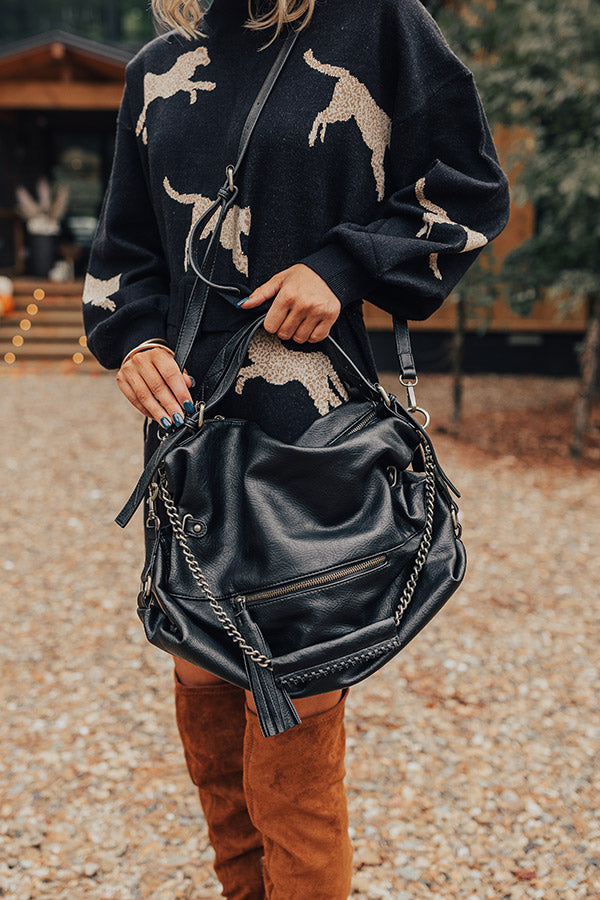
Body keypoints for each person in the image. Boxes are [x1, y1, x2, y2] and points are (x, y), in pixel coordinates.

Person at [82, 0, 510, 896]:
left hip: (318, 442)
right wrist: (134, 342)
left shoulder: (379, 26)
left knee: (298, 708)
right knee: (204, 687)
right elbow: (123, 254)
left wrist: (340, 266)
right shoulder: (160, 67)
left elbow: (467, 187)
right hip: (189, 442)